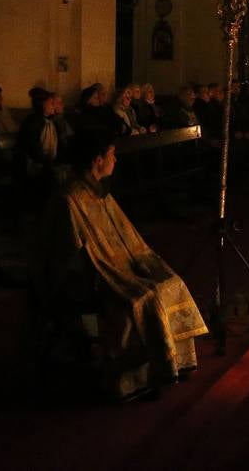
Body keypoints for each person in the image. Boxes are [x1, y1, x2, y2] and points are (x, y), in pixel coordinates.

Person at [39, 132, 207, 400]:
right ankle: (134, 380)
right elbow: (64, 255)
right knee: (142, 298)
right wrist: (105, 274)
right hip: (92, 277)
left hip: (125, 264)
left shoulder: (98, 189)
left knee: (170, 282)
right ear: (97, 160)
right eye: (112, 155)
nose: (115, 160)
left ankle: (174, 362)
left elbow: (123, 235)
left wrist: (139, 264)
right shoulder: (70, 199)